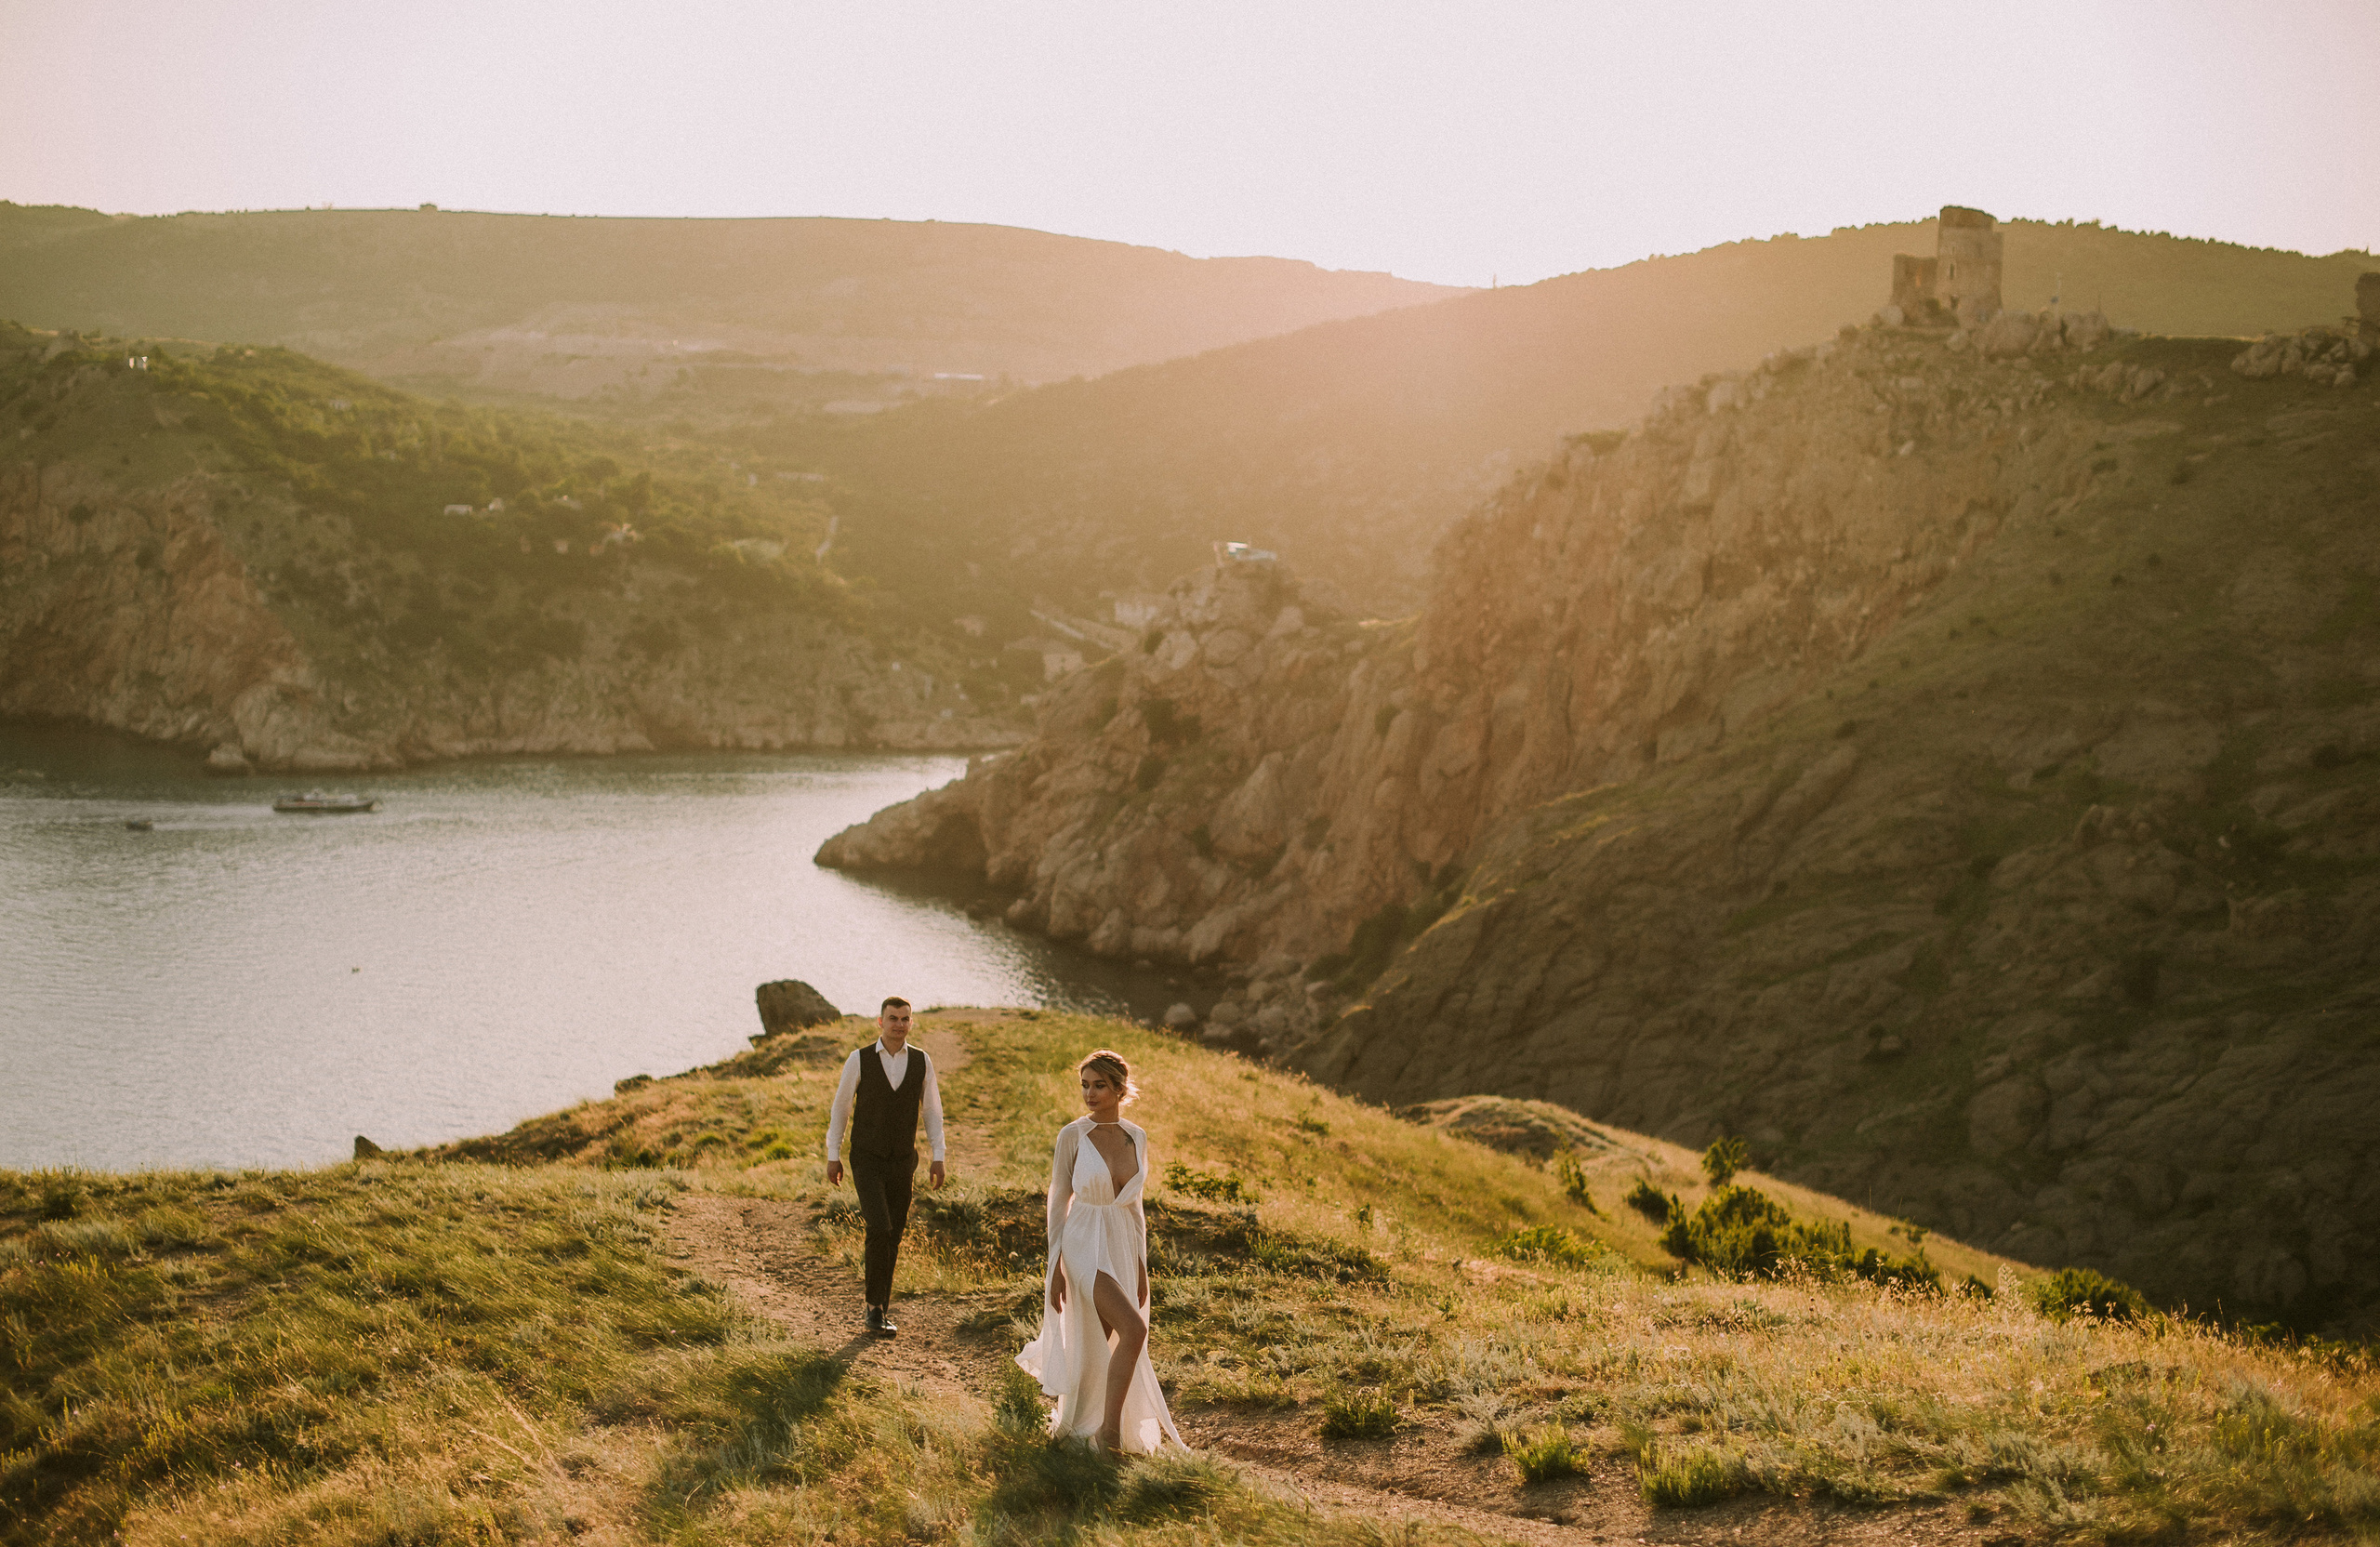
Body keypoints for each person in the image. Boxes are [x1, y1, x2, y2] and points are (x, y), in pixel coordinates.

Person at [1016, 1048, 1187, 1454]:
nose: (1089, 1094)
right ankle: (1110, 1434)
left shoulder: (1136, 1136)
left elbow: (1136, 1207)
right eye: (1085, 1086)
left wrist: (1143, 1266)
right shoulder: (1072, 1136)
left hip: (1122, 1243)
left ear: (1119, 1088)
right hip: (1081, 1242)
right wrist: (1055, 1264)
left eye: (1099, 1086)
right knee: (1134, 1330)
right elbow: (1058, 1201)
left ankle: (1078, 1428)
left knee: (1101, 1342)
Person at [824, 997, 946, 1336]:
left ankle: (880, 1307)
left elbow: (932, 1112)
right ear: (880, 1022)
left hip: (902, 1161)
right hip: (865, 1158)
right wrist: (833, 1154)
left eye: (905, 1019)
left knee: (893, 1233)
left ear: (911, 1023)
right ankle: (874, 1309)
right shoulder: (859, 1060)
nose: (899, 1025)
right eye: (893, 1019)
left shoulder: (922, 1061)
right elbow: (841, 1109)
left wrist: (939, 1155)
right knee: (879, 1226)